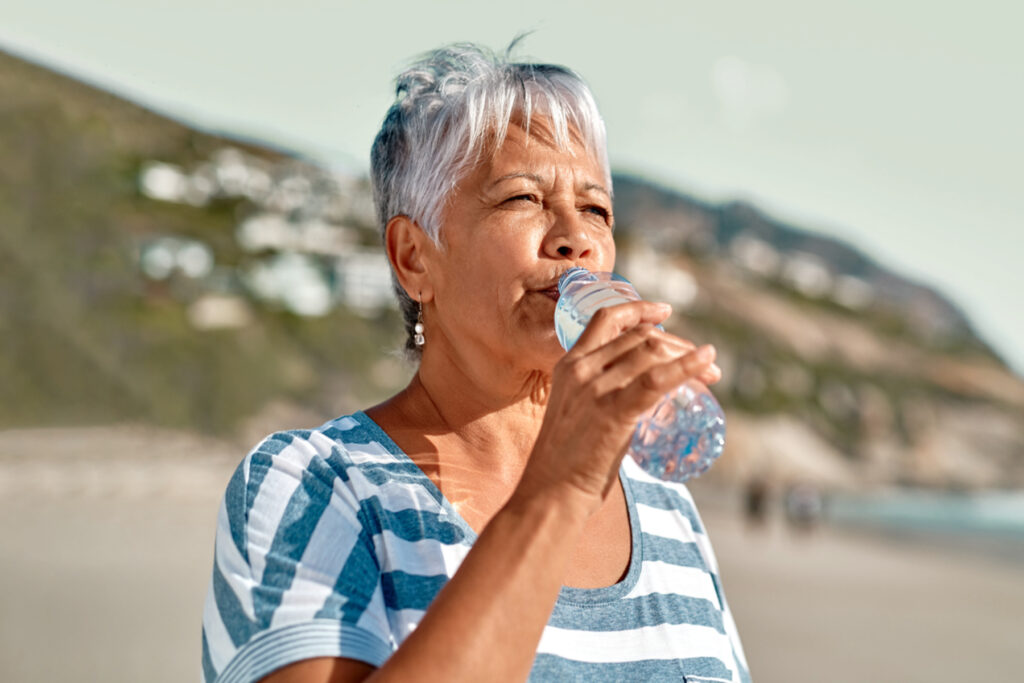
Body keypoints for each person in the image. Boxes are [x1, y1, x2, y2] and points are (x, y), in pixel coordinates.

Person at [201, 42, 750, 683]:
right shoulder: (315, 488)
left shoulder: (664, 505)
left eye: (596, 208)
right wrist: (557, 493)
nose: (575, 234)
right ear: (415, 258)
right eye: (523, 199)